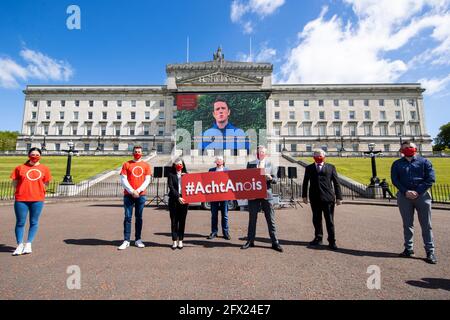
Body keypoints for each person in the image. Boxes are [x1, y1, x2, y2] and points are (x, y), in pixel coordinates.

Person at [391, 141, 437, 264]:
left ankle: (430, 251)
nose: (408, 149)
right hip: (404, 196)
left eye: (410, 147)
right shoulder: (397, 164)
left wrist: (417, 191)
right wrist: (405, 191)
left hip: (422, 196)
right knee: (407, 224)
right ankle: (408, 248)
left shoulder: (424, 162)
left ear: (415, 148)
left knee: (426, 225)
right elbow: (395, 180)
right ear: (401, 150)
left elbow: (430, 179)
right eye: (405, 148)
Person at [10, 147, 52, 256]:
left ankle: (28, 243)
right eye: (32, 154)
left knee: (34, 222)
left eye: (37, 154)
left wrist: (39, 191)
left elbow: (46, 183)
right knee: (20, 222)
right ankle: (20, 244)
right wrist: (20, 191)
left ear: (40, 156)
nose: (35, 156)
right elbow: (14, 182)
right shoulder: (20, 168)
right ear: (28, 155)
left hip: (37, 199)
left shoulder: (44, 168)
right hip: (21, 198)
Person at [241, 146, 283, 252]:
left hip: (266, 194)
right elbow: (246, 178)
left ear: (266, 154)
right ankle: (250, 241)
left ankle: (275, 242)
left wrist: (270, 178)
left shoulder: (271, 164)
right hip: (253, 195)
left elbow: (275, 180)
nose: (261, 154)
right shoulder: (250, 164)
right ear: (256, 154)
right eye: (259, 152)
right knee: (252, 219)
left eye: (263, 152)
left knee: (270, 219)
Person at [302, 149, 342, 251]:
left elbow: (336, 183)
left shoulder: (331, 167)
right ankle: (318, 238)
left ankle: (332, 241)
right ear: (313, 157)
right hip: (314, 198)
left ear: (324, 156)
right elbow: (305, 182)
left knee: (329, 220)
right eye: (316, 155)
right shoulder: (309, 168)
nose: (318, 157)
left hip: (328, 198)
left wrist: (339, 197)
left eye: (320, 155)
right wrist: (304, 196)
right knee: (316, 219)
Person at [118, 146, 152, 250]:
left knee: (139, 217)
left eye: (139, 152)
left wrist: (138, 190)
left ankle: (138, 239)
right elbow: (123, 179)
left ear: (142, 153)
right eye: (136, 151)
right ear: (132, 152)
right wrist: (132, 191)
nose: (137, 153)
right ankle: (126, 240)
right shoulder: (126, 164)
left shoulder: (146, 165)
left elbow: (147, 180)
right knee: (127, 217)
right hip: (129, 194)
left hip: (140, 195)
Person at [207, 156, 231, 240]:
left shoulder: (228, 170)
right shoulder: (211, 170)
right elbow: (207, 182)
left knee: (225, 215)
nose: (219, 161)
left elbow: (231, 183)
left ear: (223, 161)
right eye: (217, 160)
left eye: (220, 160)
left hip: (224, 196)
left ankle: (226, 232)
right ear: (215, 162)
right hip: (214, 196)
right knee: (214, 215)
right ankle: (214, 232)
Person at [167, 158, 189, 250]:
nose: (179, 165)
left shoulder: (187, 175)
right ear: (174, 165)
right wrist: (178, 197)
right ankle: (174, 240)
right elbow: (171, 187)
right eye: (177, 164)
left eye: (180, 164)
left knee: (182, 221)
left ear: (183, 165)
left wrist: (186, 177)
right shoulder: (171, 175)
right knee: (174, 221)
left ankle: (181, 240)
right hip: (174, 199)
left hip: (184, 199)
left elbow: (191, 186)